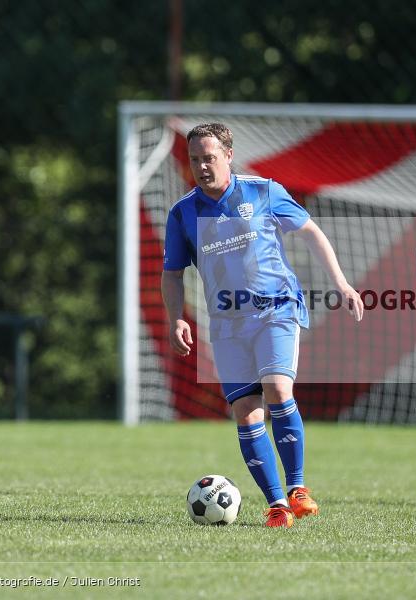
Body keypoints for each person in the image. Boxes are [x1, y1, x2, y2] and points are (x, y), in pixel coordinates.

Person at [161, 122, 364, 528]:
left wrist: (341, 283)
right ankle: (277, 505)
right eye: (196, 159)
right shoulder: (183, 213)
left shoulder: (263, 191)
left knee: (276, 387)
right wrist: (176, 318)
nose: (202, 166)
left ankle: (298, 487)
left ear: (229, 156)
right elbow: (172, 273)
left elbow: (311, 233)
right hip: (227, 324)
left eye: (210, 158)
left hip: (276, 310)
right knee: (248, 414)